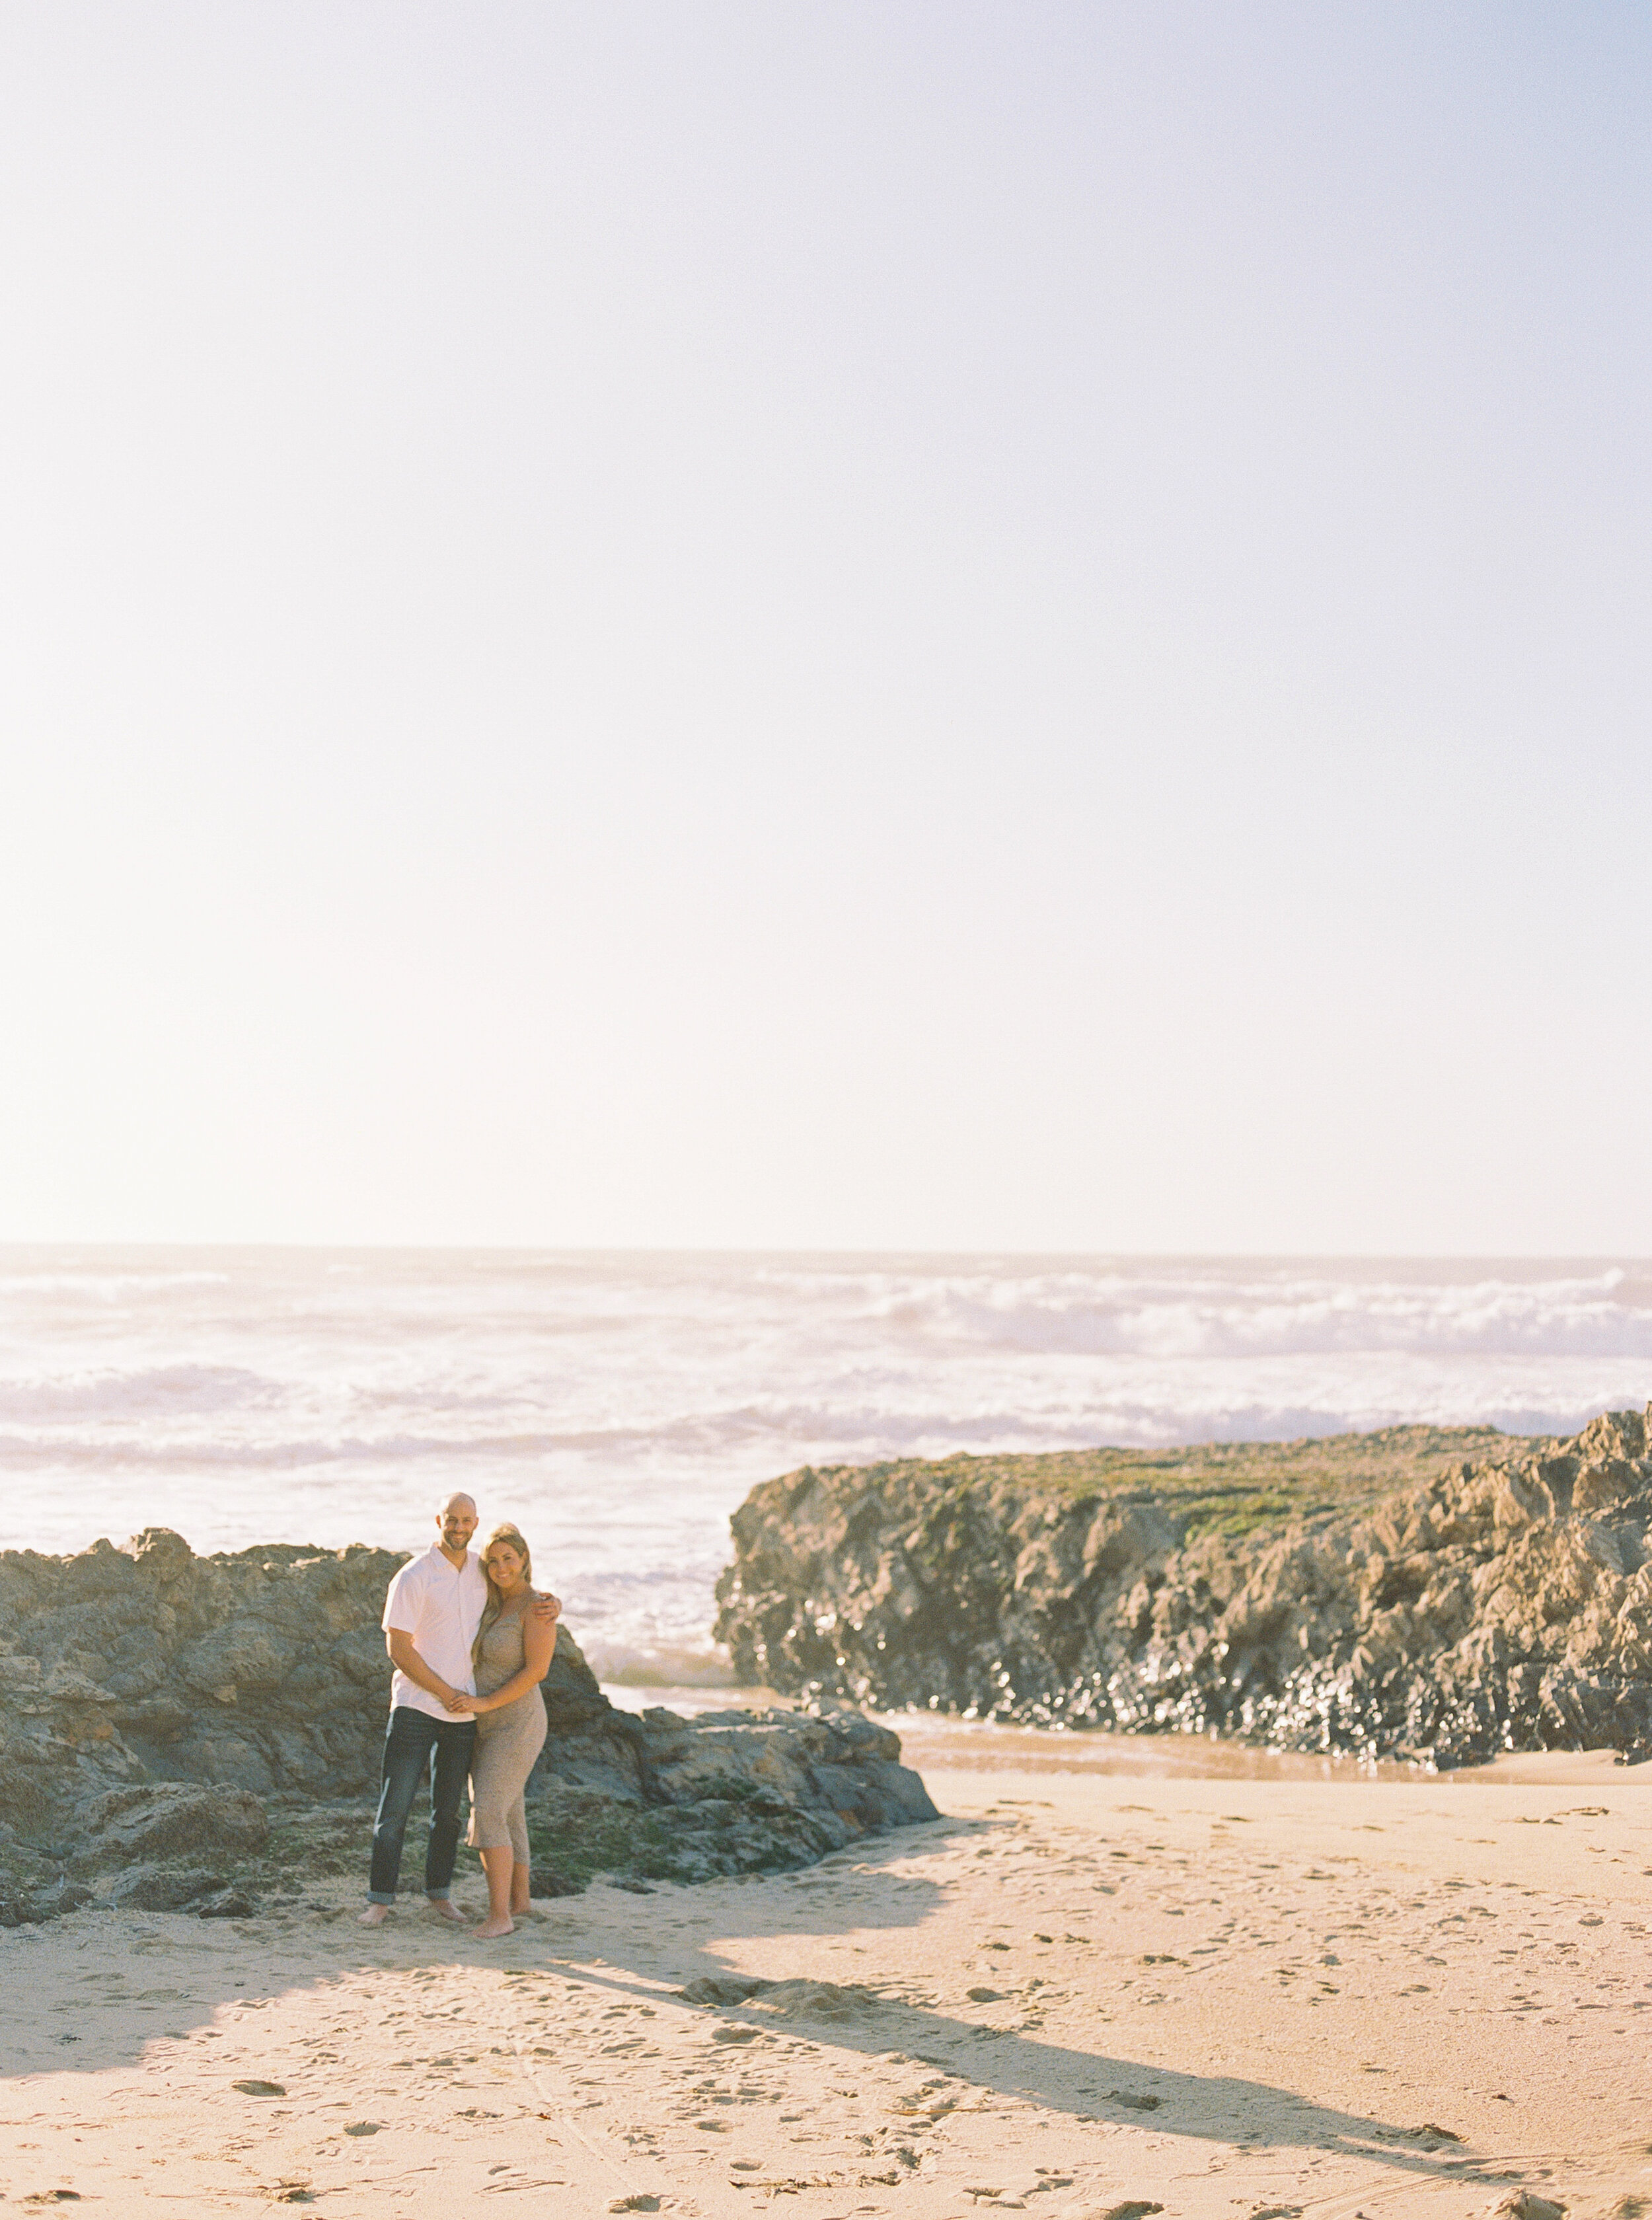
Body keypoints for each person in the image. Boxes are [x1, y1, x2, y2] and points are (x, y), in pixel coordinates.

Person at [361, 1492, 558, 1927]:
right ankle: (379, 1901)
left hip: (467, 1716)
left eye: (467, 1520)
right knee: (395, 1806)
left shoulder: (480, 1572)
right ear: (439, 1521)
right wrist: (445, 1689)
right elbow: (398, 1648)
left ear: (475, 1523)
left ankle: (441, 1896)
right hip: (418, 1706)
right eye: (452, 1519)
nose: (459, 1527)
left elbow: (523, 1599)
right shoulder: (413, 1576)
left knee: (449, 1813)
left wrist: (551, 1602)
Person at [465, 1522, 556, 1937]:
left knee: (486, 1811)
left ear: (524, 1561)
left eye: (509, 1558)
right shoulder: (488, 1603)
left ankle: (499, 1917)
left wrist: (485, 1702)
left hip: (518, 1723)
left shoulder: (536, 1607)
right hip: (483, 1726)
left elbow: (537, 1670)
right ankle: (520, 1903)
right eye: (494, 1560)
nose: (502, 1567)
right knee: (510, 1812)